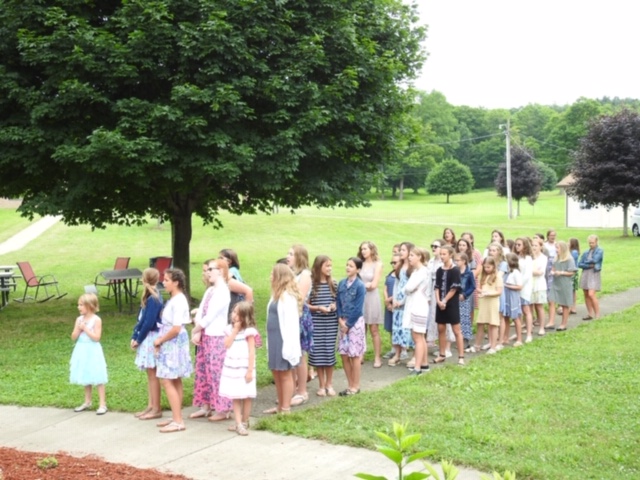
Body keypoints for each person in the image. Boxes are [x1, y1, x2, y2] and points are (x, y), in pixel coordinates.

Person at [189, 259, 232, 422]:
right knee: (203, 371)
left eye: (210, 269)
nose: (207, 273)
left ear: (220, 271)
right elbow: (201, 311)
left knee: (216, 372)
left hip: (216, 337)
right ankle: (205, 406)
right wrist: (198, 331)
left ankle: (223, 409)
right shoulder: (210, 290)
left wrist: (195, 329)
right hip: (206, 335)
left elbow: (211, 316)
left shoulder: (223, 292)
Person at [154, 268, 192, 433]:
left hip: (172, 343)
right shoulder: (176, 299)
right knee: (175, 379)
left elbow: (176, 328)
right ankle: (177, 415)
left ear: (176, 282)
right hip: (174, 342)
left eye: (167, 280)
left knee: (166, 380)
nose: (163, 282)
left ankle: (178, 421)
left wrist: (160, 340)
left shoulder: (178, 301)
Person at [263, 264, 302, 415]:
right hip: (273, 338)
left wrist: (289, 346)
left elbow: (291, 325)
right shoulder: (275, 295)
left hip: (283, 339)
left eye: (272, 274)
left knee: (284, 373)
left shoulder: (288, 297)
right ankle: (280, 405)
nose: (270, 277)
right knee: (276, 372)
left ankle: (286, 407)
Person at [219, 302, 258, 436]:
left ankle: (245, 421)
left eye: (238, 313)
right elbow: (227, 344)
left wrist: (250, 371)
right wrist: (235, 331)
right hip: (232, 368)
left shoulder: (249, 332)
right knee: (236, 396)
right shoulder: (228, 330)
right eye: (234, 312)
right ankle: (238, 423)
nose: (234, 315)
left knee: (247, 396)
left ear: (245, 317)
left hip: (245, 367)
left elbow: (252, 351)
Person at [130, 268, 163, 420]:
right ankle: (151, 405)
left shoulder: (153, 298)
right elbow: (141, 320)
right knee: (150, 374)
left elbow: (149, 322)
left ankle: (156, 408)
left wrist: (138, 339)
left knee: (153, 374)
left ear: (143, 280)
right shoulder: (150, 296)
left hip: (151, 337)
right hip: (147, 337)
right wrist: (135, 335)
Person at [70, 293, 108, 415]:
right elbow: (73, 337)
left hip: (92, 349)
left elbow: (96, 338)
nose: (79, 307)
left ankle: (102, 404)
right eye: (78, 305)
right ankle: (87, 401)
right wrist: (78, 329)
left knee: (97, 373)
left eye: (81, 305)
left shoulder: (96, 320)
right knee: (85, 372)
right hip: (82, 349)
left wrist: (86, 329)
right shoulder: (79, 320)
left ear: (90, 306)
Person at [307, 255, 338, 397]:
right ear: (319, 267)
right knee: (318, 354)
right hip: (316, 322)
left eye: (331, 265)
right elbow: (306, 305)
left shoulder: (334, 284)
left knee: (329, 352)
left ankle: (329, 384)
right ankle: (321, 385)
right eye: (327, 266)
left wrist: (334, 305)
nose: (330, 268)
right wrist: (318, 307)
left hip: (330, 323)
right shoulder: (312, 285)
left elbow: (339, 301)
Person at [286, 244, 313, 406]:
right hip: (289, 316)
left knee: (300, 354)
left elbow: (300, 298)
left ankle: (302, 391)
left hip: (299, 317)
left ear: (299, 257)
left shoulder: (305, 275)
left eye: (291, 254)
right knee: (291, 354)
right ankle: (291, 390)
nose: (287, 256)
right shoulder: (291, 273)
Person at [337, 257, 366, 395]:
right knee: (344, 354)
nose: (348, 267)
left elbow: (358, 308)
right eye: (347, 265)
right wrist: (340, 319)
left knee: (354, 354)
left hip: (355, 323)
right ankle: (349, 384)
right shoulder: (342, 283)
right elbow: (338, 302)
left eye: (351, 266)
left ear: (358, 270)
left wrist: (348, 325)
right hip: (343, 322)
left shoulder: (360, 286)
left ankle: (356, 385)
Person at [433, 246, 465, 366]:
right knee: (441, 328)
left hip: (451, 303)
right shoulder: (439, 270)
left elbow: (454, 288)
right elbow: (436, 287)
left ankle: (461, 357)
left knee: (456, 329)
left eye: (444, 254)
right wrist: (438, 301)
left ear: (450, 255)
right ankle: (442, 354)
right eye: (441, 254)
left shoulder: (455, 270)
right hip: (440, 303)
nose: (442, 256)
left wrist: (445, 300)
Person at [403, 247, 431, 375]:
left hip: (419, 306)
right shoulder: (416, 271)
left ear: (419, 257)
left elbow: (409, 287)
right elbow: (407, 289)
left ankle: (417, 367)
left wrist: (409, 289)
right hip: (415, 304)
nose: (409, 258)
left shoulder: (422, 272)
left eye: (412, 255)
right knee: (419, 336)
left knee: (417, 337)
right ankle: (424, 363)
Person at [357, 241, 384, 368]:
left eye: (365, 249)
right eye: (362, 249)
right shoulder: (359, 263)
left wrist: (365, 285)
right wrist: (364, 285)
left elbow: (374, 285)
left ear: (371, 250)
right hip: (360, 298)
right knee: (361, 328)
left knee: (374, 329)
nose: (363, 251)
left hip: (372, 298)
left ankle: (377, 357)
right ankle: (361, 354)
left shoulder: (377, 264)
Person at [470, 257, 503, 354]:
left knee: (493, 324)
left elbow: (499, 292)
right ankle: (477, 345)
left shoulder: (497, 277)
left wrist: (488, 293)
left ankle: (493, 346)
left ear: (493, 266)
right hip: (483, 301)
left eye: (488, 267)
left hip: (492, 302)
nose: (486, 269)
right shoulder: (483, 276)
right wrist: (481, 291)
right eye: (485, 267)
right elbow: (479, 288)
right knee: (480, 323)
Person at [389, 242, 414, 366]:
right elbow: (396, 284)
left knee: (409, 329)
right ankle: (397, 354)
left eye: (404, 250)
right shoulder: (400, 267)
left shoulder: (412, 268)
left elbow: (411, 287)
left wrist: (402, 301)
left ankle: (414, 355)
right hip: (397, 303)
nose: (401, 252)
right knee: (397, 328)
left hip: (407, 302)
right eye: (401, 250)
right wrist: (394, 299)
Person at [548, 241, 578, 331]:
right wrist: (552, 272)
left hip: (565, 283)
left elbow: (572, 272)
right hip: (555, 282)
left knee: (565, 304)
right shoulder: (556, 258)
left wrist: (561, 272)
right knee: (551, 300)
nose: (556, 250)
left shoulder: (569, 259)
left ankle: (563, 324)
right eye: (556, 248)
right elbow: (553, 268)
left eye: (558, 248)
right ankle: (551, 322)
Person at [501, 253, 523, 346]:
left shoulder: (516, 272)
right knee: (506, 317)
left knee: (515, 318)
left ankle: (519, 339)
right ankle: (505, 337)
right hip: (506, 295)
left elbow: (519, 286)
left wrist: (507, 286)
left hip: (513, 296)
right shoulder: (507, 272)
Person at [578, 234, 603, 320]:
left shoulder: (599, 251)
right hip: (586, 273)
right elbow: (579, 264)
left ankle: (597, 314)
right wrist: (588, 265)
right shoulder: (586, 252)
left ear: (596, 242)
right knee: (586, 293)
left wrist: (586, 262)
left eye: (592, 243)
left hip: (594, 274)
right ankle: (590, 313)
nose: (591, 244)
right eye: (590, 243)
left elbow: (595, 260)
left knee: (591, 294)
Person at [514, 238, 533, 343]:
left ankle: (529, 333)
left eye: (519, 245)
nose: (517, 246)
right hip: (515, 286)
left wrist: (520, 284)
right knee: (518, 311)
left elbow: (527, 275)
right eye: (516, 244)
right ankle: (519, 333)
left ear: (524, 246)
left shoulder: (528, 259)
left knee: (526, 309)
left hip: (524, 287)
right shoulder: (516, 257)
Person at [455, 253, 476, 351]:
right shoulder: (455, 271)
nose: (456, 262)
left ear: (464, 261)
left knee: (464, 319)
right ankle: (457, 338)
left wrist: (465, 295)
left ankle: (465, 339)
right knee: (456, 319)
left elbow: (473, 286)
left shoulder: (469, 273)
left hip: (464, 298)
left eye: (458, 260)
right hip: (455, 298)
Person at [531, 237, 548, 338]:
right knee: (529, 306)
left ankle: (542, 327)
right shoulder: (529, 257)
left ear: (541, 247)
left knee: (539, 306)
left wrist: (530, 271)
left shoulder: (543, 258)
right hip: (530, 285)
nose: (534, 247)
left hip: (539, 285)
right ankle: (530, 326)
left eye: (536, 246)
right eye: (532, 245)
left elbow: (540, 272)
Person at [568, 238, 580, 314]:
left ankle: (572, 307)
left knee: (572, 290)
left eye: (569, 242)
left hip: (573, 272)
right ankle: (572, 307)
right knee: (572, 290)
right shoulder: (572, 252)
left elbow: (570, 260)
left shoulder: (574, 252)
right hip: (572, 272)